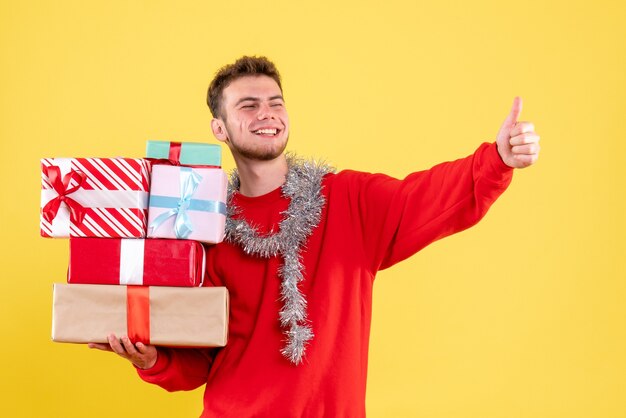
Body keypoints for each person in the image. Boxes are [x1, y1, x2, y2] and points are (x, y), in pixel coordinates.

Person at [89, 56, 540, 417]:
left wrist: (496, 159)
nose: (266, 113)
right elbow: (198, 359)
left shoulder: (348, 199)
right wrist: (152, 360)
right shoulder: (199, 225)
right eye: (248, 105)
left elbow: (428, 197)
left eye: (276, 102)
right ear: (219, 128)